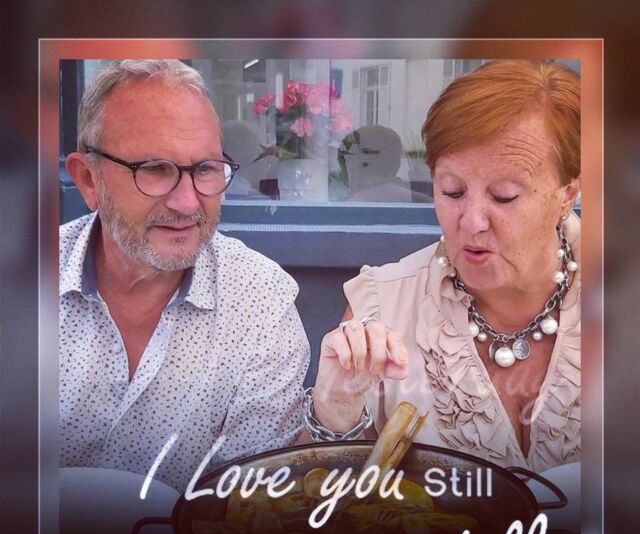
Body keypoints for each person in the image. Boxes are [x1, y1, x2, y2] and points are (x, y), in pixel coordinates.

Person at [307, 60, 581, 472]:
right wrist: (335, 410)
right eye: (452, 191)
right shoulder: (383, 305)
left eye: (504, 196)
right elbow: (326, 494)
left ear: (568, 194)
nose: (471, 222)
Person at [60, 60, 309, 491]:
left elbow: (254, 503)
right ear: (88, 180)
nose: (188, 203)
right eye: (155, 170)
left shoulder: (260, 302)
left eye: (206, 169)